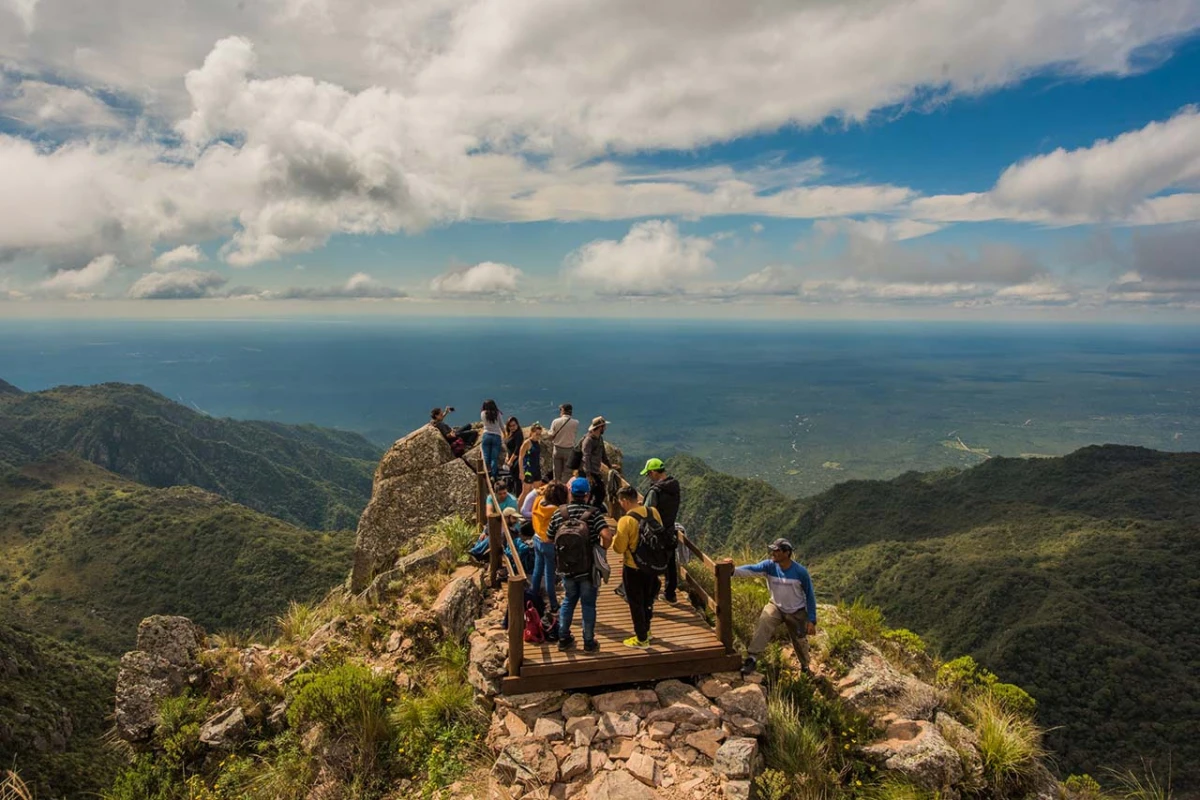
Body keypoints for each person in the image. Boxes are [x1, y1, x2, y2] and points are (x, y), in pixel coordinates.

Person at [547, 477, 613, 653]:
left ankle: (563, 638)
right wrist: (600, 549)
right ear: (587, 494)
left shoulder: (559, 513)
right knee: (588, 605)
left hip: (566, 568)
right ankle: (589, 642)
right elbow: (607, 537)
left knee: (568, 600)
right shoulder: (594, 513)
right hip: (587, 569)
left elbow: (548, 536)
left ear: (570, 492)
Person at [736, 538, 817, 675]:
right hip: (776, 606)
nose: (773, 553)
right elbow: (751, 569)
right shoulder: (769, 566)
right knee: (764, 622)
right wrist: (732, 570)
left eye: (777, 550)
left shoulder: (800, 572)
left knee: (799, 639)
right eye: (772, 550)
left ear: (787, 553)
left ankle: (805, 666)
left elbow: (810, 595)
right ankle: (752, 658)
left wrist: (811, 620)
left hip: (796, 611)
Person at [613, 485, 664, 648]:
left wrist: (615, 538)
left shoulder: (626, 520)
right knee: (648, 599)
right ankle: (647, 630)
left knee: (636, 603)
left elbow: (619, 548)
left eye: (621, 501)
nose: (620, 504)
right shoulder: (653, 512)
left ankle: (641, 639)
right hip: (652, 565)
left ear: (626, 501)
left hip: (633, 567)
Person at [641, 458, 682, 602]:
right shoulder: (674, 487)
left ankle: (649, 594)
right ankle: (671, 594)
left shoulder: (655, 491)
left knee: (649, 563)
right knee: (670, 563)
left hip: (655, 533)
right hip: (669, 530)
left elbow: (645, 513)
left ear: (653, 472)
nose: (648, 477)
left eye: (648, 474)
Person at [530, 481, 567, 612]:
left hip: (536, 538)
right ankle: (553, 603)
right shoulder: (555, 510)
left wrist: (543, 489)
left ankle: (532, 597)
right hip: (549, 543)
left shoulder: (538, 501)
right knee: (549, 575)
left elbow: (539, 493)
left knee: (537, 570)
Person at [579, 416, 612, 511]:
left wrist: (610, 466)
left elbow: (603, 454)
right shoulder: (588, 440)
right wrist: (588, 475)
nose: (605, 428)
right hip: (587, 472)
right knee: (593, 493)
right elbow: (586, 457)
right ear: (600, 427)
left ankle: (591, 511)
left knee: (598, 493)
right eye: (604, 426)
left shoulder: (599, 438)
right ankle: (589, 512)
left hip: (594, 471)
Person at [547, 404, 580, 483]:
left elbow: (551, 434)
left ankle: (556, 489)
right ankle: (565, 490)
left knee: (556, 472)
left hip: (557, 449)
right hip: (569, 450)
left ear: (562, 410)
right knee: (567, 474)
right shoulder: (576, 423)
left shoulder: (555, 421)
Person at [517, 423, 544, 502]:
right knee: (525, 492)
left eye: (539, 434)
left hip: (537, 469)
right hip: (528, 470)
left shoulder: (537, 442)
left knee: (537, 491)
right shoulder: (527, 443)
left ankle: (533, 508)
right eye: (536, 434)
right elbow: (520, 458)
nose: (538, 436)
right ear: (532, 432)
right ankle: (518, 509)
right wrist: (521, 472)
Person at [480, 400, 505, 479]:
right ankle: (493, 476)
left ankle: (487, 473)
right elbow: (501, 425)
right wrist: (505, 434)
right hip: (496, 436)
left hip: (486, 435)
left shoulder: (483, 414)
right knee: (494, 458)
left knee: (486, 456)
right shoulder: (497, 414)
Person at [503, 417, 525, 492]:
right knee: (514, 479)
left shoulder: (518, 434)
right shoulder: (510, 434)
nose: (512, 427)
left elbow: (517, 449)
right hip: (510, 460)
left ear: (517, 425)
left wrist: (510, 461)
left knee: (517, 481)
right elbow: (508, 448)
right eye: (510, 426)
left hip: (516, 461)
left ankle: (519, 499)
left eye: (514, 425)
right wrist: (507, 457)